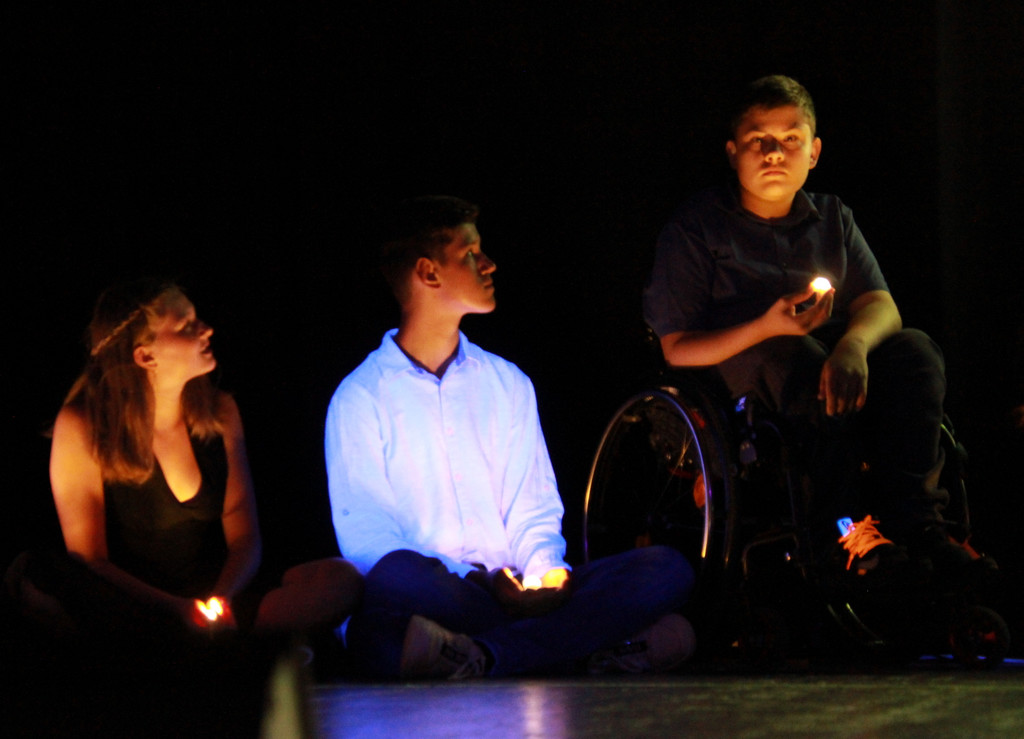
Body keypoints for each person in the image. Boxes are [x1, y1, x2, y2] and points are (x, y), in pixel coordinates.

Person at [643, 75, 995, 584]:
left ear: (813, 152)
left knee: (915, 352)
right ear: (733, 152)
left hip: (822, 354)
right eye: (758, 140)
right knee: (795, 357)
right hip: (738, 371)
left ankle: (919, 523)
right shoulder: (697, 227)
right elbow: (677, 347)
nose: (774, 152)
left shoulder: (831, 217)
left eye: (790, 139)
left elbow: (880, 304)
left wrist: (853, 346)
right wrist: (766, 327)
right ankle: (842, 528)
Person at [325, 196, 695, 679]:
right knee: (394, 583)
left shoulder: (507, 382)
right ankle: (578, 650)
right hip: (445, 595)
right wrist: (479, 580)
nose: (489, 264)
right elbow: (368, 542)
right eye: (470, 254)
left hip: (514, 593)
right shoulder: (360, 396)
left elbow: (532, 509)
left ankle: (484, 655)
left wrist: (547, 573)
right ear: (428, 273)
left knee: (667, 568)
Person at [5, 279, 362, 652]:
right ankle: (201, 648)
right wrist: (178, 609)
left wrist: (220, 600)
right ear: (145, 356)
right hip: (131, 603)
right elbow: (91, 559)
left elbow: (244, 538)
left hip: (212, 594)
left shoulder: (219, 412)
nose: (207, 330)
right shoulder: (83, 425)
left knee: (341, 580)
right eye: (186, 325)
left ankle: (206, 643)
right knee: (35, 581)